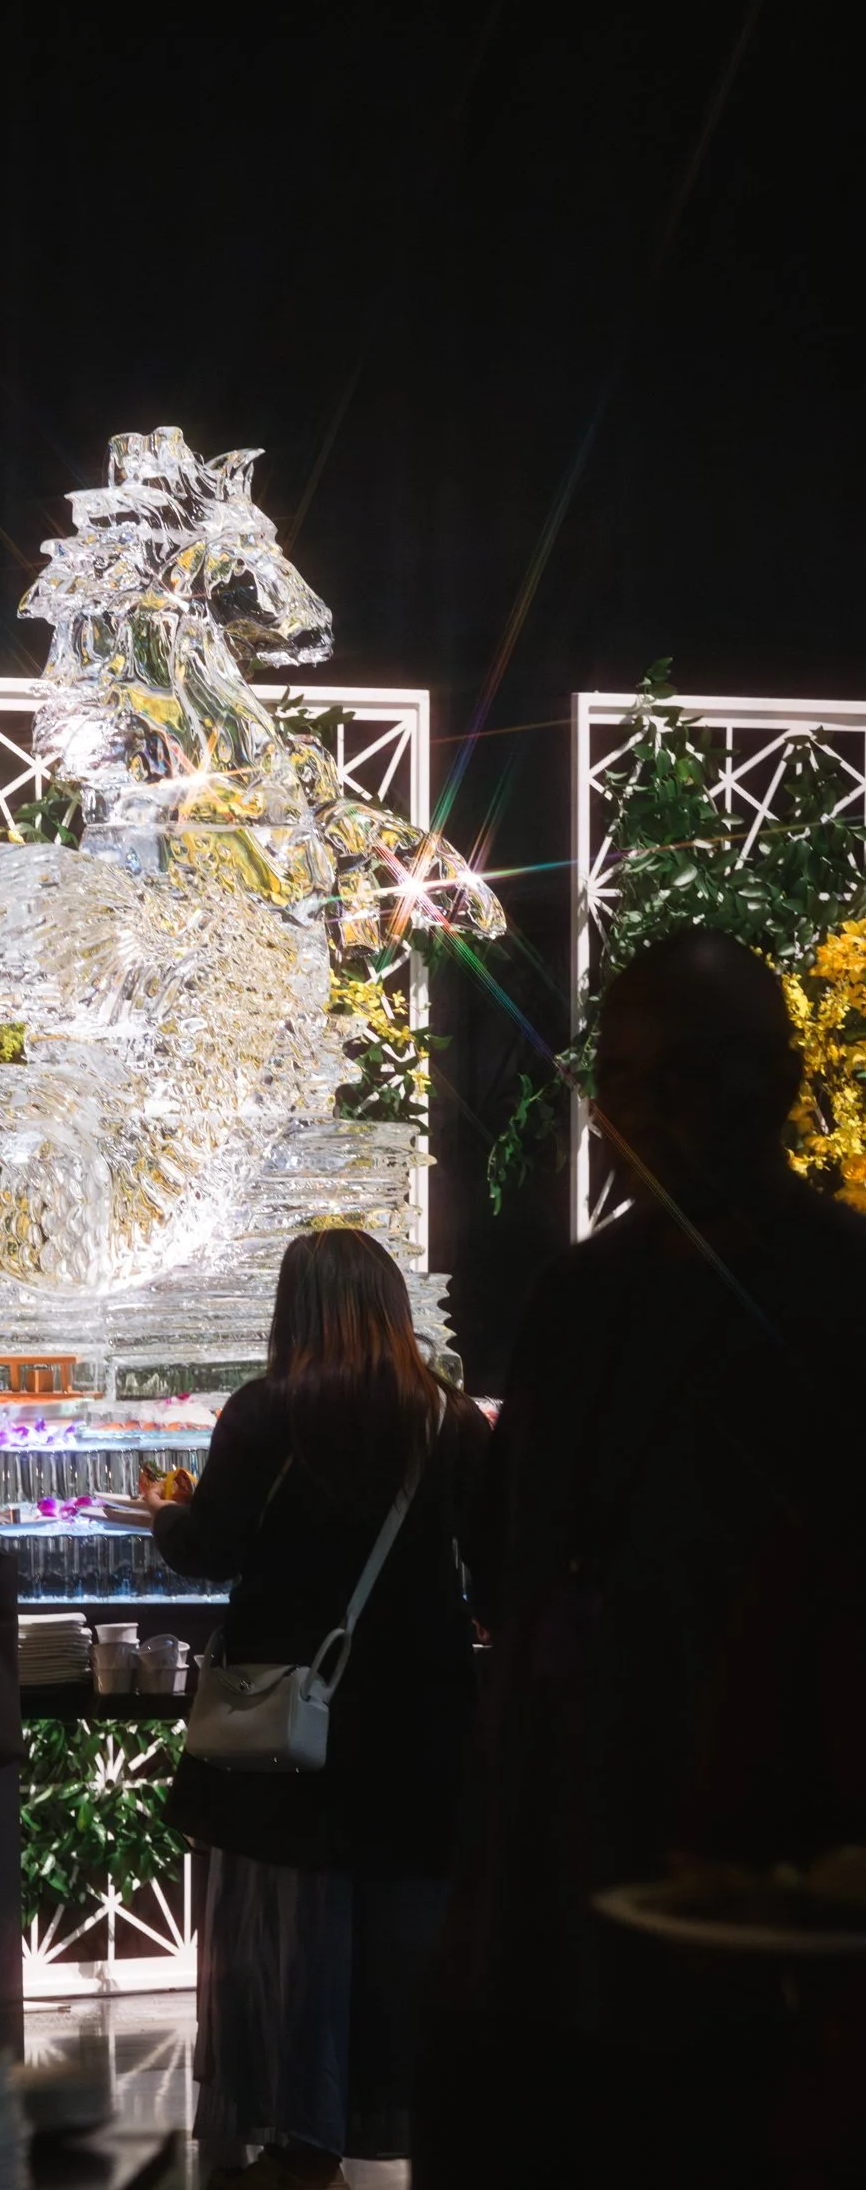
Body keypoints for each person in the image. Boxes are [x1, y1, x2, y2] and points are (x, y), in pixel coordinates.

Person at [414, 929, 866, 2189]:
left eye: (687, 1079)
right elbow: (513, 1555)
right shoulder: (573, 1298)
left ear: (781, 1080)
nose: (647, 1117)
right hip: (547, 1866)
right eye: (621, 1084)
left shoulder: (844, 1293)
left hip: (752, 1891)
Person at [146, 1227, 493, 2190]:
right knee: (398, 1938)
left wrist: (163, 1516)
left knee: (283, 1932)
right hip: (420, 1723)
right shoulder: (448, 1419)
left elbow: (211, 1549)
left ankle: (299, 2143)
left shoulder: (266, 1413)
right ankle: (402, 2119)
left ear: (291, 1309)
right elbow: (497, 1573)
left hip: (289, 1726)